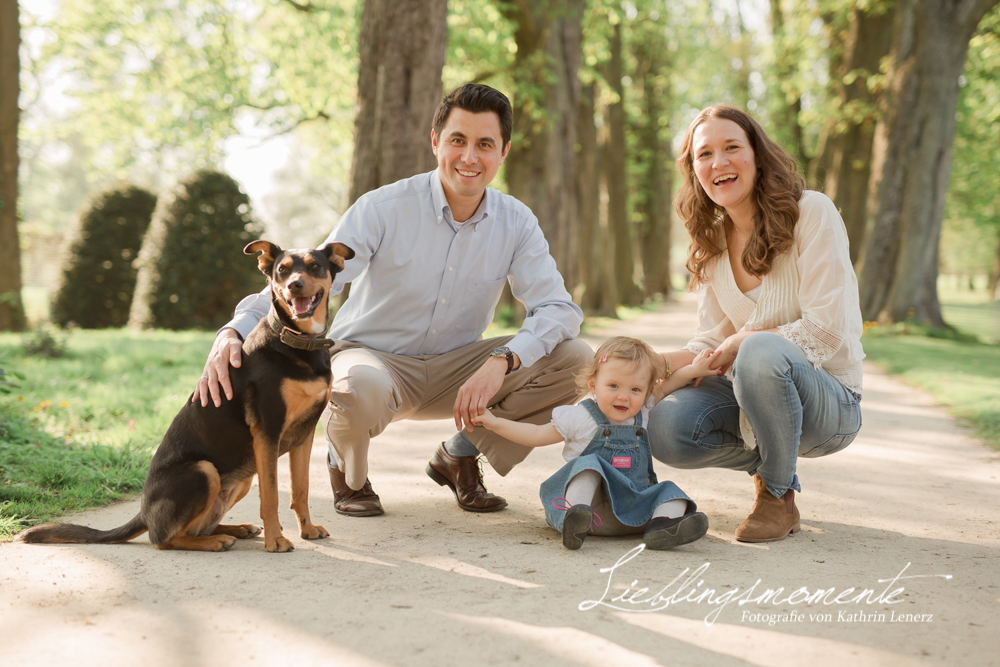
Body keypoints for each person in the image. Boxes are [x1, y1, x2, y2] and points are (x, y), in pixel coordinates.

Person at [195, 84, 592, 517]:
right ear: (435, 141)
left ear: (504, 152)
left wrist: (502, 360)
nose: (469, 157)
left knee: (575, 359)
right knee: (359, 385)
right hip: (371, 360)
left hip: (456, 368)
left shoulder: (516, 222)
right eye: (458, 140)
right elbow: (310, 277)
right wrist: (233, 330)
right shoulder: (383, 208)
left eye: (485, 144)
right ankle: (348, 472)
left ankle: (460, 455)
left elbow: (559, 309)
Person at [648, 104, 865, 543]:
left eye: (732, 148)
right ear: (694, 171)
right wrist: (646, 364)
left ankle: (776, 494)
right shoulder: (711, 243)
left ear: (758, 156)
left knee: (759, 350)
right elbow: (710, 341)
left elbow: (825, 330)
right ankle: (774, 465)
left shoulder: (813, 213)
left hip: (830, 403)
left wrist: (746, 337)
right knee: (666, 428)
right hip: (756, 393)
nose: (719, 163)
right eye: (703, 154)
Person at [473, 337, 715, 551]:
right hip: (593, 512)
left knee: (671, 492)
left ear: (646, 391)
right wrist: (496, 423)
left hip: (633, 512)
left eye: (635, 389)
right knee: (588, 465)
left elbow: (669, 385)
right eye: (613, 386)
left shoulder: (644, 411)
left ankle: (662, 527)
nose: (624, 396)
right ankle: (575, 515)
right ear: (593, 385)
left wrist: (694, 369)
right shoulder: (580, 418)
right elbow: (536, 434)